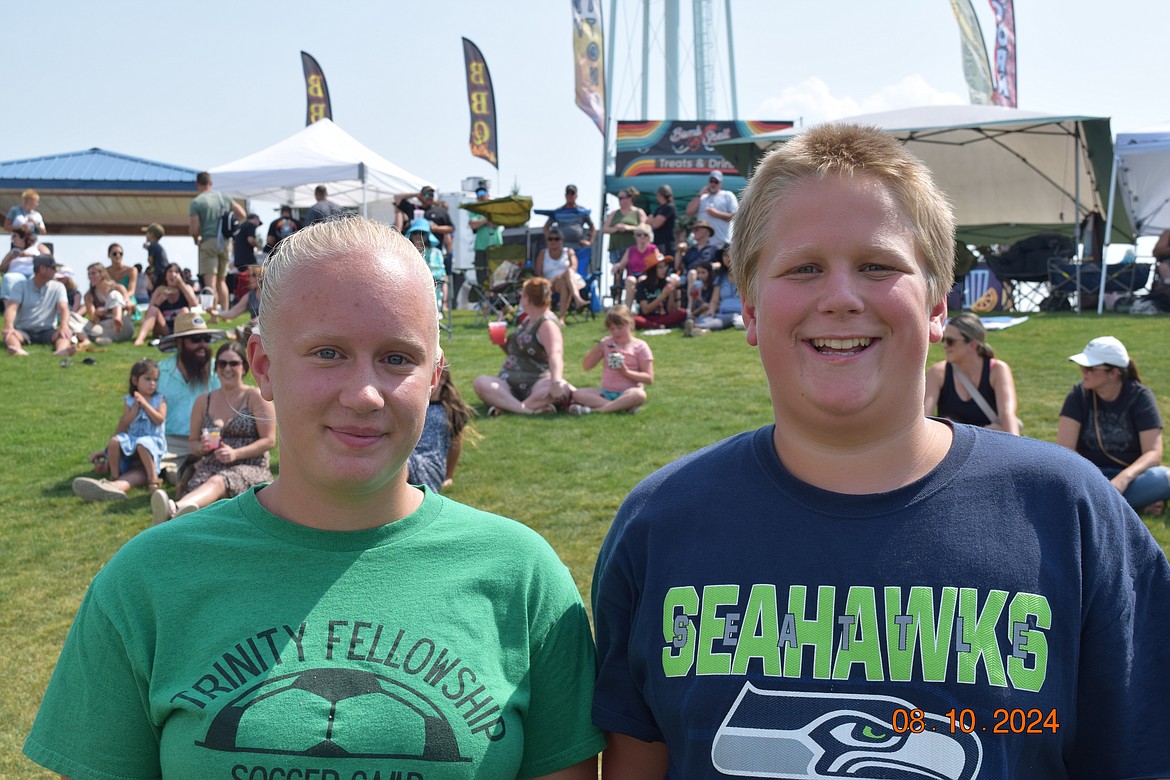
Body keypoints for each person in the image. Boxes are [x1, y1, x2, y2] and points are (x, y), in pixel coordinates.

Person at [591, 123, 1170, 777]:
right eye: (804, 267)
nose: (840, 298)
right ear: (749, 309)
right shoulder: (660, 525)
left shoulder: (1070, 517)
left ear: (935, 306)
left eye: (878, 266)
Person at [25, 216, 604, 779]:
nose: (364, 395)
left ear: (434, 377)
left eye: (397, 358)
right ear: (264, 367)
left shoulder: (523, 579)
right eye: (328, 353)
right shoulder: (147, 582)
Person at [151, 340, 275, 523]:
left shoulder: (255, 397)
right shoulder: (204, 401)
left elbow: (269, 440)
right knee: (200, 494)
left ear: (244, 367)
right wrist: (201, 447)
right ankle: (175, 520)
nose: (227, 368)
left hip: (250, 465)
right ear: (216, 369)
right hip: (210, 465)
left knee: (219, 481)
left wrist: (235, 454)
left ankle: (173, 510)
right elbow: (192, 443)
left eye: (234, 363)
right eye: (222, 363)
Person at [1057, 335, 1170, 514]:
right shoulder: (1078, 395)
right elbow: (1065, 449)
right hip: (1090, 475)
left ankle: (1096, 504)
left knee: (1164, 478)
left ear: (1114, 372)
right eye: (1083, 367)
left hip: (1131, 477)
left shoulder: (1140, 397)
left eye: (1090, 368)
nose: (1083, 372)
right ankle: (1130, 503)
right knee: (1056, 475)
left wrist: (1122, 480)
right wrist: (1094, 478)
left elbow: (1153, 453)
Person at [473, 276, 573, 416]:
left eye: (523, 294)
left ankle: (510, 406)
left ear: (528, 299)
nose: (520, 298)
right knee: (480, 383)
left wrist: (555, 382)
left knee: (562, 388)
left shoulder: (547, 324)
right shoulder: (528, 320)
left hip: (536, 382)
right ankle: (526, 409)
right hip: (509, 381)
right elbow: (518, 353)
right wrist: (502, 342)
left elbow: (555, 353)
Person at [73, 358, 167, 502]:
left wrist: (145, 405)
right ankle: (114, 476)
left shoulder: (160, 399)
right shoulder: (129, 400)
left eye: (155, 380)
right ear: (135, 381)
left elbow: (159, 419)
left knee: (143, 443)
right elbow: (126, 422)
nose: (152, 383)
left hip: (153, 440)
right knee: (115, 441)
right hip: (133, 437)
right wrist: (136, 407)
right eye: (147, 379)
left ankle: (153, 479)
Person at [924, 312, 1020, 435]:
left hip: (989, 446)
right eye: (944, 339)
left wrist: (1013, 449)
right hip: (953, 449)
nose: (944, 345)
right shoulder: (938, 373)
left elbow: (1007, 414)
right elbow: (925, 418)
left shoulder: (997, 369)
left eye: (950, 341)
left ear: (972, 344)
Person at [154, 310, 223, 460]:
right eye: (196, 339)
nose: (203, 345)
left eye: (206, 338)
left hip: (207, 440)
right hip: (169, 441)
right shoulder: (159, 372)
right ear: (179, 343)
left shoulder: (218, 370)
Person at [407, 357, 477, 492]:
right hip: (408, 455)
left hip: (430, 463)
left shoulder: (450, 410)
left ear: (441, 379)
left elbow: (455, 445)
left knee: (399, 466)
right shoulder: (414, 407)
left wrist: (448, 476)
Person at [569, 305, 652, 415]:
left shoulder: (640, 346)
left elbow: (649, 378)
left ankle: (594, 410)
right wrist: (598, 348)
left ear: (630, 324)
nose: (616, 332)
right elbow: (586, 366)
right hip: (606, 392)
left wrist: (626, 371)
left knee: (639, 395)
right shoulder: (607, 343)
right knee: (577, 394)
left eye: (619, 327)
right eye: (612, 329)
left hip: (628, 391)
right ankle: (621, 406)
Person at [189, 170, 246, 312]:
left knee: (210, 282)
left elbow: (194, 228)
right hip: (225, 243)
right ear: (211, 183)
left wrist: (196, 239)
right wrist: (233, 227)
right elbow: (242, 214)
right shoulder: (223, 197)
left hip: (208, 242)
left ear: (197, 184)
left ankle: (213, 314)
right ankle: (225, 312)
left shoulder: (197, 202)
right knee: (222, 280)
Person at [4, 255, 77, 357]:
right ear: (42, 269)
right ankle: (17, 350)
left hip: (48, 330)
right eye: (53, 268)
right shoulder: (20, 286)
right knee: (10, 334)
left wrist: (64, 326)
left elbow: (63, 308)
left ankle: (62, 350)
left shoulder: (58, 287)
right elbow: (12, 308)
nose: (56, 271)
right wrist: (9, 326)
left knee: (64, 334)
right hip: (23, 329)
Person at [133, 262, 198, 345]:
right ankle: (139, 339)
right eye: (170, 271)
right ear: (165, 275)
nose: (173, 274)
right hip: (163, 327)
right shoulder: (159, 290)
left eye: (176, 272)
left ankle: (178, 339)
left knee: (185, 310)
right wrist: (158, 301)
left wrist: (181, 284)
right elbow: (148, 314)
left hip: (180, 328)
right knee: (154, 309)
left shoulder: (186, 288)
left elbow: (194, 303)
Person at [601, 186, 648, 296]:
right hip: (616, 247)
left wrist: (628, 228)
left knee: (631, 274)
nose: (620, 200)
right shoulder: (614, 213)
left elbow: (644, 228)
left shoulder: (638, 212)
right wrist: (615, 229)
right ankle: (616, 300)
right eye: (619, 198)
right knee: (617, 274)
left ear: (629, 198)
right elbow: (604, 229)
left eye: (622, 198)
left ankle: (630, 300)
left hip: (632, 249)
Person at [535, 226, 587, 323]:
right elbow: (538, 272)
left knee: (566, 277)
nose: (553, 241)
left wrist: (560, 276)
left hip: (570, 280)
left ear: (561, 241)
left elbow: (574, 267)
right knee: (564, 280)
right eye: (550, 239)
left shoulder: (568, 252)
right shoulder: (543, 253)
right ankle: (578, 301)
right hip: (550, 282)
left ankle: (561, 318)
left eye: (556, 239)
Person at [684, 168, 738, 254]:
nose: (713, 184)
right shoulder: (703, 198)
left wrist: (717, 214)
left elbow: (736, 216)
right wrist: (700, 194)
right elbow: (689, 211)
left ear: (720, 183)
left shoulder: (727, 195)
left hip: (721, 244)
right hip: (703, 246)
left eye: (716, 182)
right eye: (711, 181)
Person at [81, 262, 134, 344]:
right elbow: (94, 319)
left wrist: (129, 305)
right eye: (89, 274)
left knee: (114, 295)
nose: (90, 277)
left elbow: (129, 304)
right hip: (104, 326)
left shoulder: (118, 288)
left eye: (93, 273)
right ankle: (104, 338)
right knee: (72, 317)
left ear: (102, 274)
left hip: (123, 325)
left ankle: (117, 318)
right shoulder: (89, 296)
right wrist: (97, 313)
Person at [406, 217, 447, 315]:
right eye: (415, 233)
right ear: (411, 235)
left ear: (427, 236)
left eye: (422, 233)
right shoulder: (406, 252)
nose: (418, 236)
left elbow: (439, 274)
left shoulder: (436, 252)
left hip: (430, 288)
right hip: (410, 289)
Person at [692, 256, 744, 332]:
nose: (728, 258)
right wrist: (711, 311)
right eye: (725, 255)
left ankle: (698, 327)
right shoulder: (721, 277)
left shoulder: (745, 276)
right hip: (723, 313)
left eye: (730, 254)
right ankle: (699, 328)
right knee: (706, 318)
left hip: (740, 313)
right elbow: (714, 300)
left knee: (723, 320)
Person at [610, 225, 658, 307]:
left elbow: (660, 261)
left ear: (649, 237)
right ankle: (627, 310)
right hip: (632, 275)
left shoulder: (653, 249)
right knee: (630, 280)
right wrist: (616, 266)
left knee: (642, 279)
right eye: (639, 234)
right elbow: (621, 264)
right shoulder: (631, 250)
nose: (642, 237)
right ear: (635, 237)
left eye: (645, 234)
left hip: (647, 275)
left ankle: (642, 309)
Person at [1, 225, 51, 301]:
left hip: (34, 274)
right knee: (8, 278)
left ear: (24, 237)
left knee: (36, 282)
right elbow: (2, 268)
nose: (12, 239)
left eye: (14, 236)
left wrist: (28, 255)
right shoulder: (12, 251)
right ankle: (9, 307)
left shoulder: (38, 246)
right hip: (16, 274)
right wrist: (10, 258)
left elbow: (48, 258)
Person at [542, 183, 596, 254]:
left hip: (578, 247)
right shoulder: (559, 211)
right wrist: (552, 241)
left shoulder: (582, 211)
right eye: (568, 193)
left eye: (572, 193)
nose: (570, 196)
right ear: (565, 195)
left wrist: (589, 241)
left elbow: (592, 227)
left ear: (576, 196)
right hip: (562, 248)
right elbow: (546, 227)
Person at [632, 260, 686, 329]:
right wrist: (662, 296)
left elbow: (670, 310)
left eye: (665, 266)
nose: (664, 270)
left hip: (664, 317)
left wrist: (671, 293)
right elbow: (645, 310)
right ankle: (660, 326)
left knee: (682, 312)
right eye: (660, 267)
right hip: (647, 317)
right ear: (652, 270)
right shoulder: (642, 285)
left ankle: (656, 325)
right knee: (632, 318)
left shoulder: (667, 283)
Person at [142, 223, 169, 294]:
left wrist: (151, 270)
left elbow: (150, 260)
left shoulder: (152, 246)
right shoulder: (157, 246)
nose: (146, 235)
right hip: (164, 273)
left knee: (155, 291)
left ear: (152, 235)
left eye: (147, 233)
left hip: (160, 274)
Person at [649, 184, 676, 251]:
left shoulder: (669, 207)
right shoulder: (659, 209)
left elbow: (656, 224)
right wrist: (653, 220)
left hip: (666, 244)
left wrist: (652, 221)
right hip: (658, 242)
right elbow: (648, 220)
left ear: (659, 194)